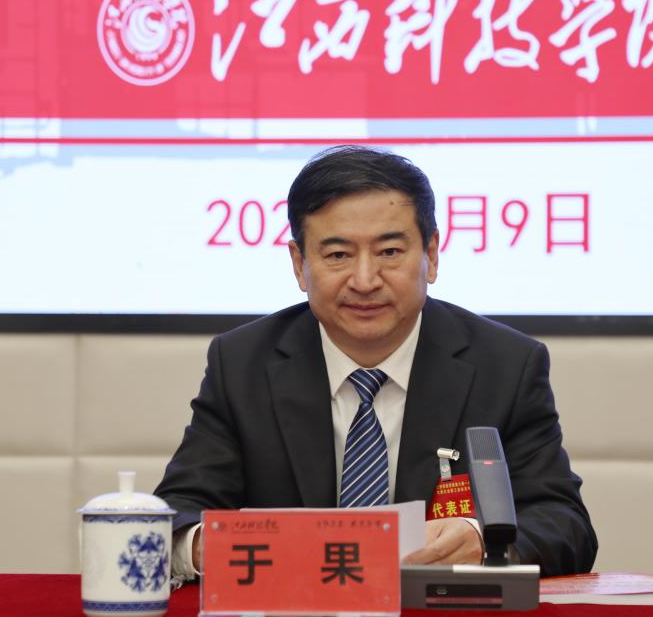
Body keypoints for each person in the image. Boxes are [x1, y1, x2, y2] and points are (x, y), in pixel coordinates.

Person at [156, 145, 597, 578]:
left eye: (389, 252)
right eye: (338, 255)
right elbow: (178, 513)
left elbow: (564, 523)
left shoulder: (505, 365)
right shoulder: (243, 365)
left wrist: (484, 541)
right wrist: (207, 546)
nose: (365, 281)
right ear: (299, 264)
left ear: (431, 255)